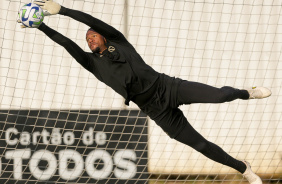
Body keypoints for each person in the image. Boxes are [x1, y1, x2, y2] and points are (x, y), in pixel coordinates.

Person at [18, 1, 271, 183]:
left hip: (168, 87)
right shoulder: (92, 63)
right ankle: (243, 169)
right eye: (88, 40)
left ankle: (246, 93)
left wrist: (63, 10)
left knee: (220, 95)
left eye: (93, 36)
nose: (90, 39)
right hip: (156, 110)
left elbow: (92, 22)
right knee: (200, 145)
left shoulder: (119, 41)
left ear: (105, 37)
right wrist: (41, 26)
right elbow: (66, 43)